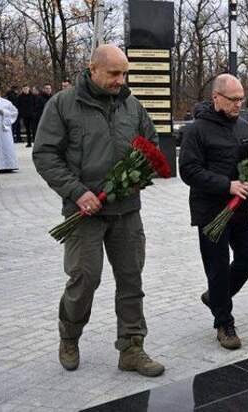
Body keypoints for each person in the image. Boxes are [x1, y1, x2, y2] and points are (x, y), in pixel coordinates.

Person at [33, 44, 165, 377]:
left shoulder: (132, 106)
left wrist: (139, 175)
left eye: (125, 74)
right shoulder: (63, 104)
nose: (121, 80)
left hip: (126, 211)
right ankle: (69, 336)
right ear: (92, 69)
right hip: (84, 213)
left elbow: (152, 145)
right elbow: (45, 154)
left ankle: (132, 348)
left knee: (131, 279)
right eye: (114, 73)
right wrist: (77, 192)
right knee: (85, 278)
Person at [179, 74, 248, 350]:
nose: (239, 104)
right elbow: (188, 170)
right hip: (210, 210)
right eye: (233, 99)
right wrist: (227, 185)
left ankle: (216, 297)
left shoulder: (244, 127)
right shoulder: (197, 130)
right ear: (216, 97)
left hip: (239, 209)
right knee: (217, 268)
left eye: (241, 99)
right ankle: (224, 322)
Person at [0, 81, 19, 171]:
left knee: (6, 146)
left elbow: (14, 113)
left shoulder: (6, 103)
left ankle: (8, 165)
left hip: (3, 130)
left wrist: (5, 113)